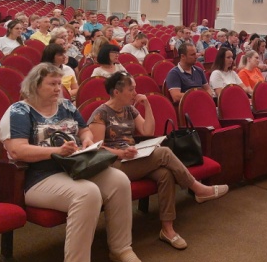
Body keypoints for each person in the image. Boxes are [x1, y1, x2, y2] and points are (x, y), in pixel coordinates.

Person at [0, 63, 139, 262]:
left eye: (59, 83)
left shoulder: (66, 106)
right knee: (87, 193)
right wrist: (56, 152)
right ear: (35, 85)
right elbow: (17, 150)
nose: (58, 88)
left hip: (75, 167)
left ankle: (121, 248)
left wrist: (87, 140)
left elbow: (84, 130)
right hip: (39, 178)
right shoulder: (19, 111)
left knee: (119, 180)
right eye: (52, 84)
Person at [88, 72, 228, 250]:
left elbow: (148, 131)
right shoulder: (100, 114)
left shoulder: (129, 109)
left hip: (132, 158)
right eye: (131, 90)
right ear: (116, 92)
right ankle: (198, 189)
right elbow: (97, 149)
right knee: (164, 153)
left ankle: (167, 229)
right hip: (113, 165)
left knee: (165, 174)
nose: (135, 93)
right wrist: (120, 153)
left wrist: (147, 105)